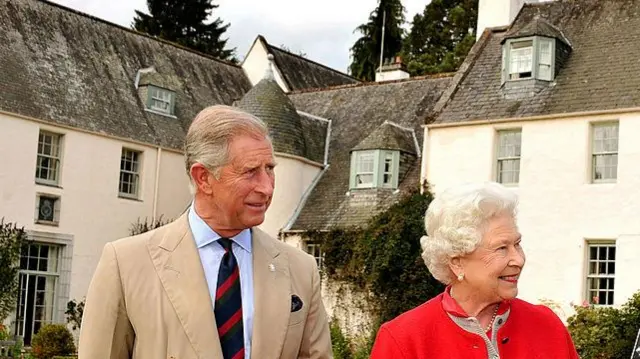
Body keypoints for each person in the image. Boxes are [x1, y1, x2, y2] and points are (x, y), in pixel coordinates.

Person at [78, 105, 332, 359]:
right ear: (203, 178)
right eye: (250, 171)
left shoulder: (301, 269)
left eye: (270, 169)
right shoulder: (125, 264)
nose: (266, 188)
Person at [369, 182, 579, 359]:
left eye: (518, 244)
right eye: (501, 248)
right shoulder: (403, 340)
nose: (519, 259)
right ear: (457, 262)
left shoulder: (547, 326)